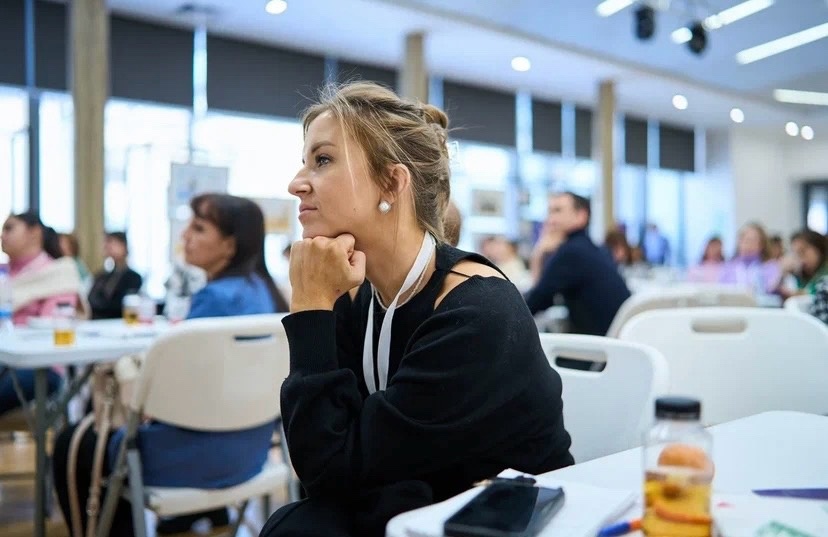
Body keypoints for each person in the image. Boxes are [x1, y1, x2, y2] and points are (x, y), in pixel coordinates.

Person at [259, 82, 572, 537]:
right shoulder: (361, 296)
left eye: (322, 160)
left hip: (499, 520)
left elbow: (328, 467)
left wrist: (309, 307)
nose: (296, 183)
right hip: (420, 503)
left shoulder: (477, 314)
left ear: (392, 182)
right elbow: (321, 468)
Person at [52, 193, 288, 537]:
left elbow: (170, 399)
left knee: (73, 441)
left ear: (229, 245)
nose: (184, 235)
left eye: (199, 228)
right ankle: (200, 515)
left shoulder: (213, 299)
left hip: (194, 460)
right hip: (251, 453)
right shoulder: (266, 293)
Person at [0, 212, 80, 414]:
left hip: (39, 366)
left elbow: (52, 328)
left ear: (34, 233)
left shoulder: (58, 273)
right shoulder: (3, 272)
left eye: (9, 228)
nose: (2, 235)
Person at [524, 193, 631, 336]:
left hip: (596, 344)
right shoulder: (590, 248)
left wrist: (538, 254)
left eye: (558, 211)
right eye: (549, 212)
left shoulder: (571, 252)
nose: (550, 219)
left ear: (581, 216)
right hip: (616, 340)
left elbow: (532, 305)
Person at [86, 232, 143, 319]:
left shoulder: (133, 277)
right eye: (107, 243)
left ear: (124, 246)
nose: (108, 246)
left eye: (113, 243)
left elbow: (122, 305)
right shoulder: (101, 276)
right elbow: (89, 301)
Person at [719, 223, 781, 294]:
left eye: (753, 241)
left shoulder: (770, 267)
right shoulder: (729, 267)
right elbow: (721, 292)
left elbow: (770, 291)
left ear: (762, 245)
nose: (748, 245)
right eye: (745, 240)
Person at [779, 229, 827, 298]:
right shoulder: (802, 274)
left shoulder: (825, 271)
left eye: (802, 251)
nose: (800, 257)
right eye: (796, 253)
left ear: (818, 248)